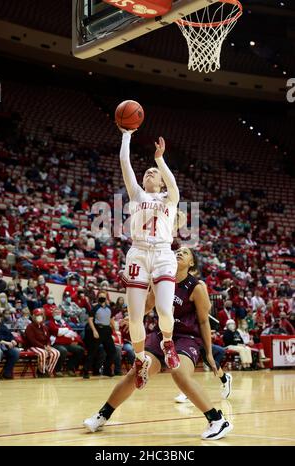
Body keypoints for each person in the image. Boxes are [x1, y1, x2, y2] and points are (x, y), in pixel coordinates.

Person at [83, 247, 233, 440]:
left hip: (186, 338)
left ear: (192, 263)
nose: (179, 253)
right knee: (136, 372)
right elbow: (148, 305)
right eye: (177, 251)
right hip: (161, 335)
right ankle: (102, 415)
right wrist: (133, 318)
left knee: (178, 372)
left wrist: (210, 353)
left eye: (185, 253)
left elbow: (204, 321)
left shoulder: (197, 287)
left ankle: (217, 420)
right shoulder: (162, 279)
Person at [117, 127, 180, 388]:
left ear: (162, 181)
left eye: (153, 173)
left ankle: (167, 342)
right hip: (138, 253)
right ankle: (140, 359)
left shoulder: (170, 198)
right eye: (146, 173)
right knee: (134, 318)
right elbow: (124, 162)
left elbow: (173, 182)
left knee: (165, 309)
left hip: (164, 254)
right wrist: (126, 134)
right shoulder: (138, 194)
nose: (149, 173)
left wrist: (159, 160)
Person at [83, 295, 116, 378]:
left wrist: (114, 328)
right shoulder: (95, 307)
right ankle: (86, 371)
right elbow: (90, 319)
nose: (102, 297)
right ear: (98, 298)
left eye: (103, 296)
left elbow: (111, 318)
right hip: (98, 329)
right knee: (92, 351)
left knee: (112, 351)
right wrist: (94, 331)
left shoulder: (109, 308)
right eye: (100, 296)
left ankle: (106, 370)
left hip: (107, 330)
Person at [47, 308, 85, 377]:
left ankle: (70, 368)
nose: (58, 314)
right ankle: (58, 370)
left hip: (67, 343)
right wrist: (65, 330)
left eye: (59, 313)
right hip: (56, 344)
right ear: (52, 314)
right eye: (56, 313)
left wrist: (63, 331)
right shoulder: (50, 322)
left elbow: (71, 332)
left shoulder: (63, 322)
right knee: (63, 351)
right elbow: (57, 332)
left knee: (80, 350)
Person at [25, 308, 60, 377]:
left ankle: (48, 371)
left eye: (41, 315)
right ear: (34, 316)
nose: (40, 317)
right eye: (38, 315)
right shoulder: (30, 327)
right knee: (43, 353)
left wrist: (48, 345)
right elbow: (32, 340)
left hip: (44, 346)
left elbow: (48, 338)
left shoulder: (44, 326)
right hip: (32, 346)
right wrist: (44, 347)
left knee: (56, 353)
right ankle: (41, 372)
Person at [0, 310, 19, 379]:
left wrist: (12, 340)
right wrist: (6, 342)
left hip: (5, 346)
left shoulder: (2, 326)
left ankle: (6, 372)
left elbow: (10, 334)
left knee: (16, 352)